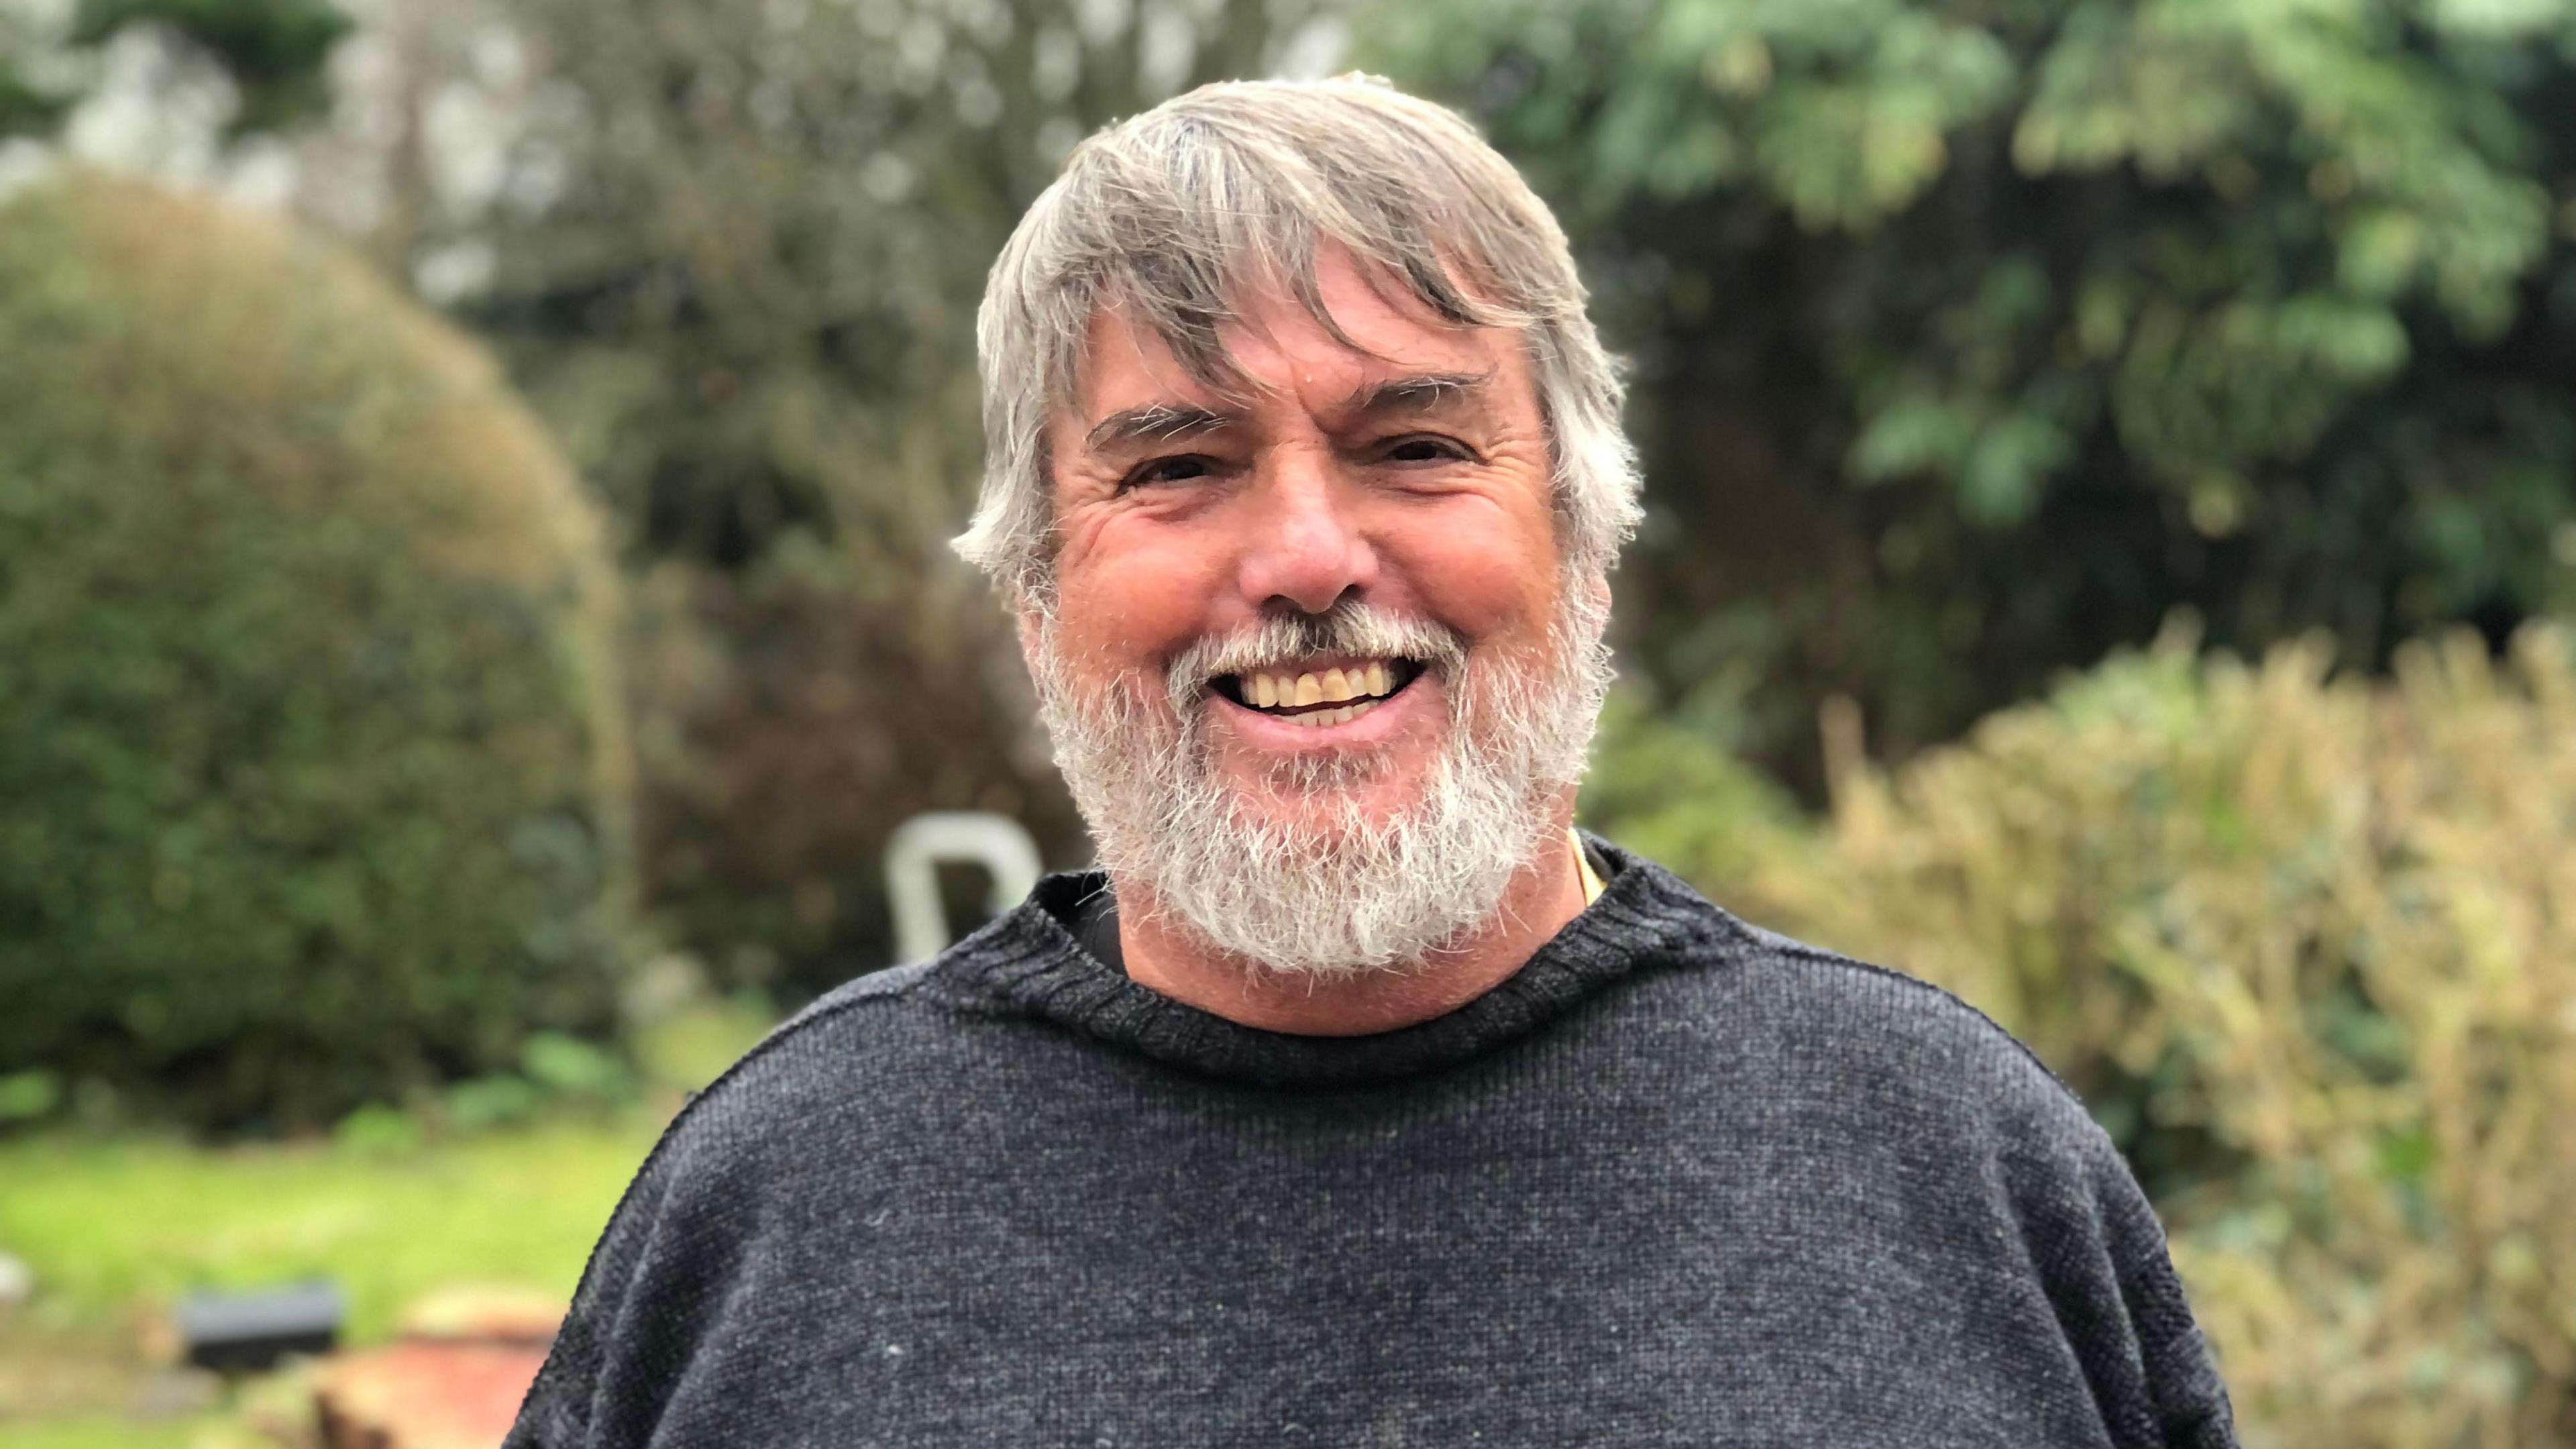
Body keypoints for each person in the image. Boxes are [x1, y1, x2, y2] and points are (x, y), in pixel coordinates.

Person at [506, 76, 2238, 1448]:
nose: (1308, 558)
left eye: (1413, 443)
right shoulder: (779, 1212)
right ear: (1037, 591)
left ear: (1583, 537)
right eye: (1178, 466)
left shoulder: (1946, 1167)